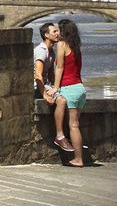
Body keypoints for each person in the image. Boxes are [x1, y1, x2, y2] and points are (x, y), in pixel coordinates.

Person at [34, 22, 72, 152]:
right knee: (61, 101)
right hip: (37, 88)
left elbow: (50, 75)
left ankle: (69, 134)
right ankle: (60, 136)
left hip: (46, 85)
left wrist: (57, 89)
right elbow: (38, 76)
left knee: (67, 97)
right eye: (54, 31)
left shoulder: (51, 52)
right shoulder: (41, 51)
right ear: (46, 35)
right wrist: (45, 94)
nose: (58, 34)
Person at [54, 17, 87, 167]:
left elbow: (59, 67)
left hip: (69, 88)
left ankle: (78, 159)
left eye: (59, 30)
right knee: (75, 124)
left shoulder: (62, 45)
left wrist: (55, 87)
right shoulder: (76, 46)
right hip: (80, 88)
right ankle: (79, 155)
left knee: (73, 125)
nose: (57, 33)